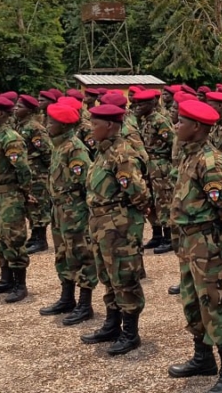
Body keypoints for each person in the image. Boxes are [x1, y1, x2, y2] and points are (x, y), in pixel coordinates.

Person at [165, 99, 222, 393]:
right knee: (193, 302)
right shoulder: (190, 155)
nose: (176, 125)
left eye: (181, 122)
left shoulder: (209, 161)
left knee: (218, 304)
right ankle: (203, 358)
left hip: (211, 244)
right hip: (191, 243)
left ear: (197, 127)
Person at [80, 103, 150, 356]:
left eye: (94, 124)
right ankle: (112, 324)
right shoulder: (102, 152)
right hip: (101, 223)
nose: (90, 128)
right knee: (108, 276)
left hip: (119, 224)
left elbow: (138, 193)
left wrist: (129, 221)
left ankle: (130, 333)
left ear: (110, 126)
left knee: (124, 276)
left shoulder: (122, 154)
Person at [39, 101, 97, 326]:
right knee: (62, 254)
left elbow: (86, 184)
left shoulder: (75, 149)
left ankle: (85, 304)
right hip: (60, 210)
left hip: (75, 211)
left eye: (52, 122)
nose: (47, 125)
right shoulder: (59, 146)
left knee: (81, 255)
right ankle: (67, 298)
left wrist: (84, 214)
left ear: (64, 125)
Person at [0, 95, 34, 302]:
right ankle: (6, 279)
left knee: (14, 238)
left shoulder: (10, 138)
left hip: (10, 194)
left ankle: (20, 284)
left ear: (2, 114)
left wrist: (22, 192)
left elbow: (22, 169)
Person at [135, 89, 176, 258]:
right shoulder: (145, 121)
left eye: (142, 104)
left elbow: (173, 143)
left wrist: (169, 164)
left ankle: (169, 238)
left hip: (160, 166)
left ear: (152, 104)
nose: (138, 107)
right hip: (148, 165)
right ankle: (157, 234)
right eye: (137, 104)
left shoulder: (160, 120)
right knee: (151, 200)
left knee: (163, 200)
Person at [15, 95, 53, 254]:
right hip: (29, 173)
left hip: (38, 173)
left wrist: (42, 172)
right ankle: (34, 236)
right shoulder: (21, 126)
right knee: (30, 205)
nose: (16, 109)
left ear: (29, 110)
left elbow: (47, 151)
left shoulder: (34, 127)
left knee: (38, 205)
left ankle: (41, 239)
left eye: (19, 106)